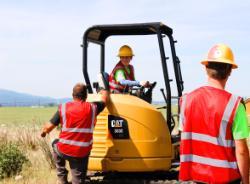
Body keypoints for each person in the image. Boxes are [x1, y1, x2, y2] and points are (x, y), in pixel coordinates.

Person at [179, 44, 249, 183]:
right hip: (226, 178)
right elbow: (241, 151)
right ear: (230, 71)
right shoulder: (235, 105)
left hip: (197, 177)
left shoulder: (186, 101)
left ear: (206, 68)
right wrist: (246, 181)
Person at [41, 83, 109, 184]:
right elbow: (105, 100)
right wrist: (104, 91)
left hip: (64, 149)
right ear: (86, 96)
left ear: (73, 95)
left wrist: (43, 132)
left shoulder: (63, 108)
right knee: (77, 180)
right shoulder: (93, 108)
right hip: (81, 153)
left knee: (55, 143)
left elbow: (48, 128)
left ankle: (62, 177)